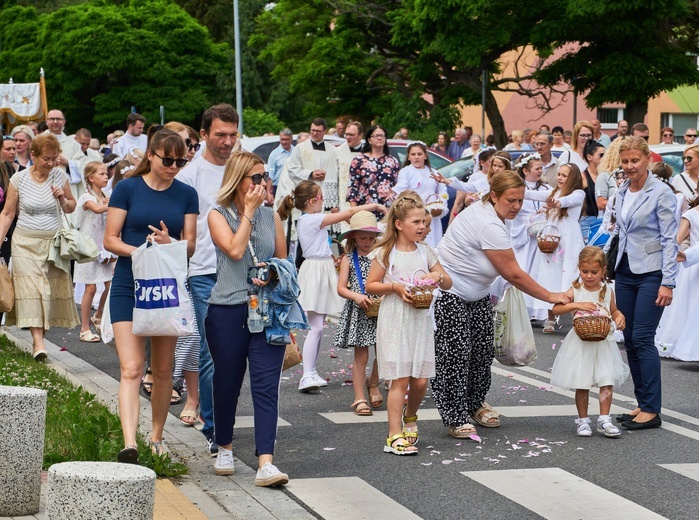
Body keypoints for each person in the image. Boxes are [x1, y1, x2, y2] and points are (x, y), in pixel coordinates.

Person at [432, 171, 570, 439]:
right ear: (493, 195)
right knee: (456, 355)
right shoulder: (488, 223)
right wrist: (551, 296)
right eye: (511, 200)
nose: (517, 206)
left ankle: (474, 403)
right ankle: (455, 415)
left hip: (478, 292)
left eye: (520, 200)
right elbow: (513, 273)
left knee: (482, 352)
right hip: (450, 292)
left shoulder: (496, 214)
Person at [104, 128, 198, 463]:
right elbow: (110, 239)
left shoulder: (186, 194)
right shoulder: (127, 188)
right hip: (129, 284)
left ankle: (156, 436)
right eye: (168, 160)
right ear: (150, 155)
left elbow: (190, 244)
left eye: (180, 161)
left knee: (161, 369)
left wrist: (168, 244)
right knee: (131, 367)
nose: (174, 166)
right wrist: (143, 250)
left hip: (166, 289)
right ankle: (130, 442)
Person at [205, 150, 289, 486]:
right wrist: (250, 213)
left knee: (267, 387)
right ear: (238, 180)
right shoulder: (218, 214)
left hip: (268, 310)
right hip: (228, 308)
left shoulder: (274, 217)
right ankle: (224, 445)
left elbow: (284, 263)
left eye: (264, 176)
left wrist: (273, 274)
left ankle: (266, 461)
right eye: (255, 177)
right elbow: (236, 250)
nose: (262, 182)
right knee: (227, 381)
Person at [366, 191, 452, 455]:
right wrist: (394, 287)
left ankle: (411, 416)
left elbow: (448, 282)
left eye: (424, 222)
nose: (422, 227)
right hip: (395, 319)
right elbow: (371, 285)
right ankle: (394, 436)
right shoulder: (386, 252)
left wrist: (436, 276)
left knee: (420, 382)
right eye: (416, 222)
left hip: (420, 319)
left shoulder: (426, 251)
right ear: (399, 224)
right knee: (399, 379)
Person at [278, 180, 385, 392]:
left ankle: (311, 371)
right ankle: (307, 374)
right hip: (316, 270)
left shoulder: (310, 219)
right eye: (320, 198)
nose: (323, 202)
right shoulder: (311, 219)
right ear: (312, 201)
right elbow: (350, 213)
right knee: (316, 327)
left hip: (321, 268)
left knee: (318, 326)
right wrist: (372, 207)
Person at [177, 103, 240, 455]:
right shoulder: (189, 175)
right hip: (204, 271)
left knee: (237, 352)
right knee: (213, 352)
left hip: (243, 271)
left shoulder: (242, 170)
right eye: (220, 135)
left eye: (233, 135)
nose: (227, 142)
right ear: (203, 135)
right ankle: (215, 430)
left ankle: (224, 420)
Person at [611, 136, 678, 431]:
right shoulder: (622, 190)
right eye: (624, 161)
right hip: (624, 271)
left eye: (634, 161)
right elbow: (616, 231)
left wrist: (668, 282)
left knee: (642, 338)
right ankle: (642, 403)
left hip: (652, 273)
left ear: (647, 159)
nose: (629, 166)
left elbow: (669, 240)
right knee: (629, 340)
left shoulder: (662, 193)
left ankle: (652, 409)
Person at [0, 134, 80, 360]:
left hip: (54, 244)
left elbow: (72, 207)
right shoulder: (19, 179)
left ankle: (40, 338)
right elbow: (7, 213)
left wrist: (63, 198)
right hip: (24, 242)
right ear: (33, 155)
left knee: (49, 292)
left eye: (54, 158)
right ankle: (38, 343)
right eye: (46, 158)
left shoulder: (58, 175)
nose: (51, 163)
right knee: (33, 291)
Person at [550, 247, 629, 437]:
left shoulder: (607, 289)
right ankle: (583, 421)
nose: (589, 276)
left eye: (594, 272)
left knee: (606, 380)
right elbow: (555, 309)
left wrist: (620, 317)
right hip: (581, 344)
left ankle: (604, 419)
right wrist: (577, 304)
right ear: (579, 268)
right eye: (585, 271)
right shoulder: (575, 289)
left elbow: (614, 310)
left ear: (603, 270)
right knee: (582, 382)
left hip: (603, 343)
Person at [333, 211, 382, 416]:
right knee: (361, 354)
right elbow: (341, 288)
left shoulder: (380, 256)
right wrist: (356, 296)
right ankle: (359, 398)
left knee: (384, 351)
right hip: (359, 309)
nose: (368, 242)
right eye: (363, 238)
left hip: (380, 307)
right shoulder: (348, 259)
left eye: (371, 238)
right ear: (353, 236)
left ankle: (374, 383)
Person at [526, 163, 585, 333]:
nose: (559, 178)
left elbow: (567, 201)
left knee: (571, 277)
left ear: (572, 178)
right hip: (552, 239)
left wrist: (555, 203)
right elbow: (532, 194)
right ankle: (550, 318)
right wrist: (513, 190)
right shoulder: (553, 192)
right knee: (550, 276)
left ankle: (577, 317)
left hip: (569, 240)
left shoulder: (578, 193)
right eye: (558, 174)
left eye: (564, 175)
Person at [73, 161, 113, 343]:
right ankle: (84, 329)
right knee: (90, 287)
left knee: (110, 284)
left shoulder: (107, 196)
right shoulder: (85, 198)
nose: (106, 177)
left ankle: (98, 315)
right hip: (88, 247)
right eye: (102, 174)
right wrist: (114, 204)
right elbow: (97, 209)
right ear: (91, 178)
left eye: (106, 174)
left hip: (104, 247)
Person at [511, 153, 551, 320]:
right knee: (524, 269)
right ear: (526, 170)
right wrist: (529, 220)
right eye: (537, 168)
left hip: (541, 237)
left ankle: (538, 311)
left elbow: (551, 205)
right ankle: (522, 310)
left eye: (541, 168)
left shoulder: (546, 189)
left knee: (539, 272)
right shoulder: (518, 187)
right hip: (524, 235)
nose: (540, 171)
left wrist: (545, 213)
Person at [392, 141, 448, 247]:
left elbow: (442, 191)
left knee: (433, 243)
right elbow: (401, 191)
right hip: (415, 214)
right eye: (413, 154)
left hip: (432, 215)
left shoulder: (433, 173)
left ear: (425, 156)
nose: (416, 157)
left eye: (419, 154)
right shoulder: (406, 172)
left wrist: (440, 205)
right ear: (408, 157)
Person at [347, 124, 400, 217]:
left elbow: (398, 186)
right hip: (364, 210)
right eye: (376, 136)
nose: (379, 138)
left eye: (382, 135)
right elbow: (352, 188)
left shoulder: (392, 161)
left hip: (387, 211)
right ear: (369, 140)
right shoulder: (359, 160)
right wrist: (354, 213)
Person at [579, 140, 605, 242]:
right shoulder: (583, 177)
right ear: (590, 157)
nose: (604, 158)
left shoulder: (606, 175)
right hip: (588, 222)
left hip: (605, 221)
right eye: (601, 155)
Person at [267, 128, 293, 198]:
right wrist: (268, 193)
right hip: (278, 188)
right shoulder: (274, 154)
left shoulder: (296, 152)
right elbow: (270, 175)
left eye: (286, 139)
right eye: (282, 139)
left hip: (293, 187)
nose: (284, 142)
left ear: (291, 139)